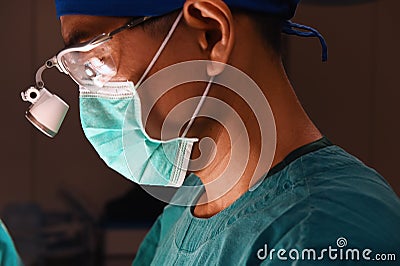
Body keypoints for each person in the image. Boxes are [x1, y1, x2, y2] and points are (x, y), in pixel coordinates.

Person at [42, 0, 400, 264]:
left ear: (211, 33)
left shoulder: (326, 237)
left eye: (95, 60)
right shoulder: (183, 215)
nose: (91, 92)